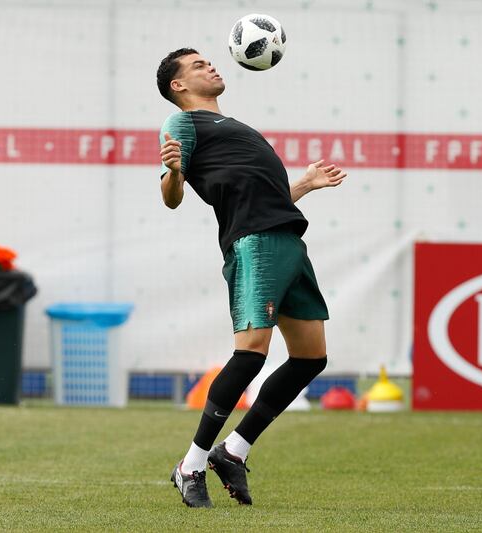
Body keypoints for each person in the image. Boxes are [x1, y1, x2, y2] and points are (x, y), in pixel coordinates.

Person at [156, 48, 346, 508]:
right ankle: (191, 464)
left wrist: (302, 185)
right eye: (198, 65)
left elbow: (262, 196)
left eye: (208, 61)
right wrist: (175, 173)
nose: (211, 66)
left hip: (286, 240)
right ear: (178, 86)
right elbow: (171, 197)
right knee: (250, 354)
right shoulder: (183, 124)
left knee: (310, 358)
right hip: (255, 245)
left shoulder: (237, 127)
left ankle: (233, 451)